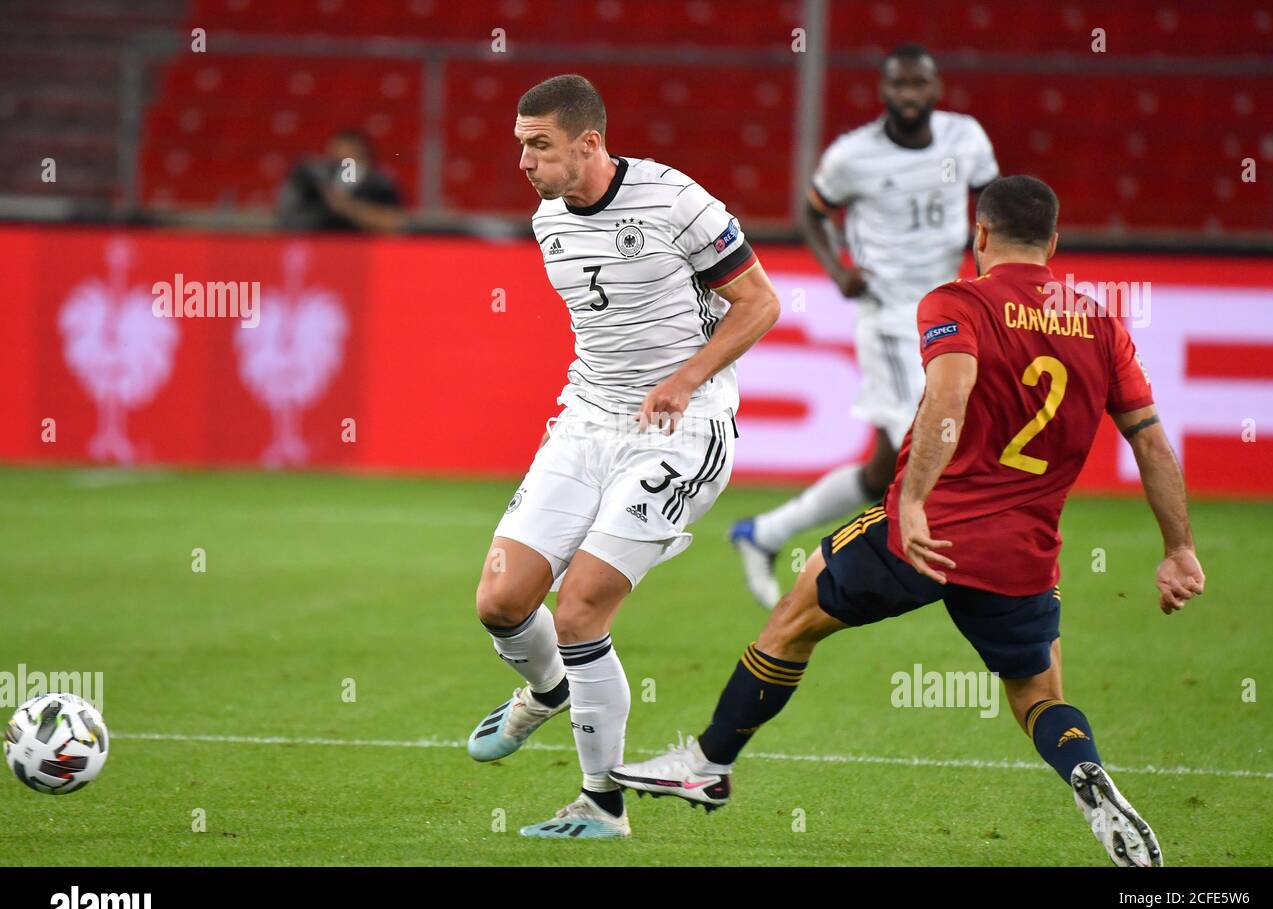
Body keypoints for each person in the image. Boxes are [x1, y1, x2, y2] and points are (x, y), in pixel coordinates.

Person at [612, 175, 1205, 867]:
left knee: (795, 619)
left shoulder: (959, 302)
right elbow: (1151, 440)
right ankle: (1083, 771)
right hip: (1024, 555)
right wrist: (1180, 549)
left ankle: (710, 763)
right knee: (1038, 696)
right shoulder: (1100, 322)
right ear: (1054, 241)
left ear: (978, 234)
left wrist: (917, 500)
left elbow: (949, 399)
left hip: (927, 533)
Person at [470, 74, 780, 839]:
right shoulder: (548, 219)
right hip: (586, 422)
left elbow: (760, 304)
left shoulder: (677, 201)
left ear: (590, 144)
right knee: (502, 602)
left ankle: (602, 803)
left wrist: (684, 380)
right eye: (520, 146)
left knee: (578, 608)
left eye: (539, 146)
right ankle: (547, 691)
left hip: (682, 428)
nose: (525, 162)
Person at [731, 43, 998, 608]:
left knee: (883, 469)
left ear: (935, 89)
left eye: (917, 85)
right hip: (891, 317)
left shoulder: (966, 139)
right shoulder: (854, 155)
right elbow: (811, 210)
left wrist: (987, 275)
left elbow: (991, 204)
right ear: (883, 92)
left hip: (948, 309)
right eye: (897, 86)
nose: (907, 96)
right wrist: (838, 271)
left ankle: (764, 534)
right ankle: (930, 569)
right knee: (920, 441)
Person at [277, 129, 405, 232]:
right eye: (338, 160)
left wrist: (346, 206)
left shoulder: (380, 185)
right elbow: (287, 223)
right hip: (319, 252)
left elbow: (394, 223)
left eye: (351, 160)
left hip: (364, 253)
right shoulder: (310, 184)